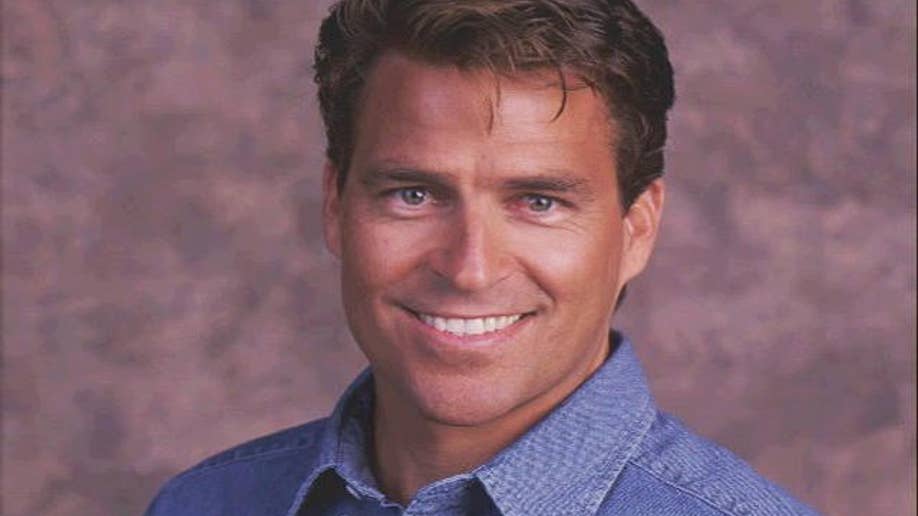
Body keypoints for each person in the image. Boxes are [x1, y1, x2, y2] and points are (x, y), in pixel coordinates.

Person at [146, 1, 820, 514]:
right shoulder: (205, 503)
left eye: (539, 202)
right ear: (334, 205)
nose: (470, 268)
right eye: (413, 194)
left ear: (636, 231)